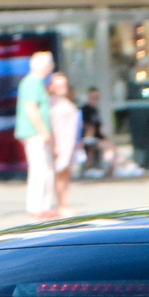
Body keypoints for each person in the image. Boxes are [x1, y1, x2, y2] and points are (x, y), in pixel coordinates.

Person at [15, 49, 56, 217]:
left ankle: (43, 206)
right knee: (39, 169)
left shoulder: (34, 82)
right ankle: (36, 208)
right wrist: (43, 131)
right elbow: (31, 108)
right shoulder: (32, 83)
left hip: (35, 132)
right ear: (46, 66)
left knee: (45, 169)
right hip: (35, 133)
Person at [48, 71, 81, 216]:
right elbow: (50, 125)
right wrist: (53, 144)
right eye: (59, 85)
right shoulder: (51, 103)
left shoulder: (66, 101)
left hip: (70, 143)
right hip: (60, 143)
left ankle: (65, 202)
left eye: (64, 84)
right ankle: (61, 204)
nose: (63, 87)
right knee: (60, 173)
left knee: (66, 173)